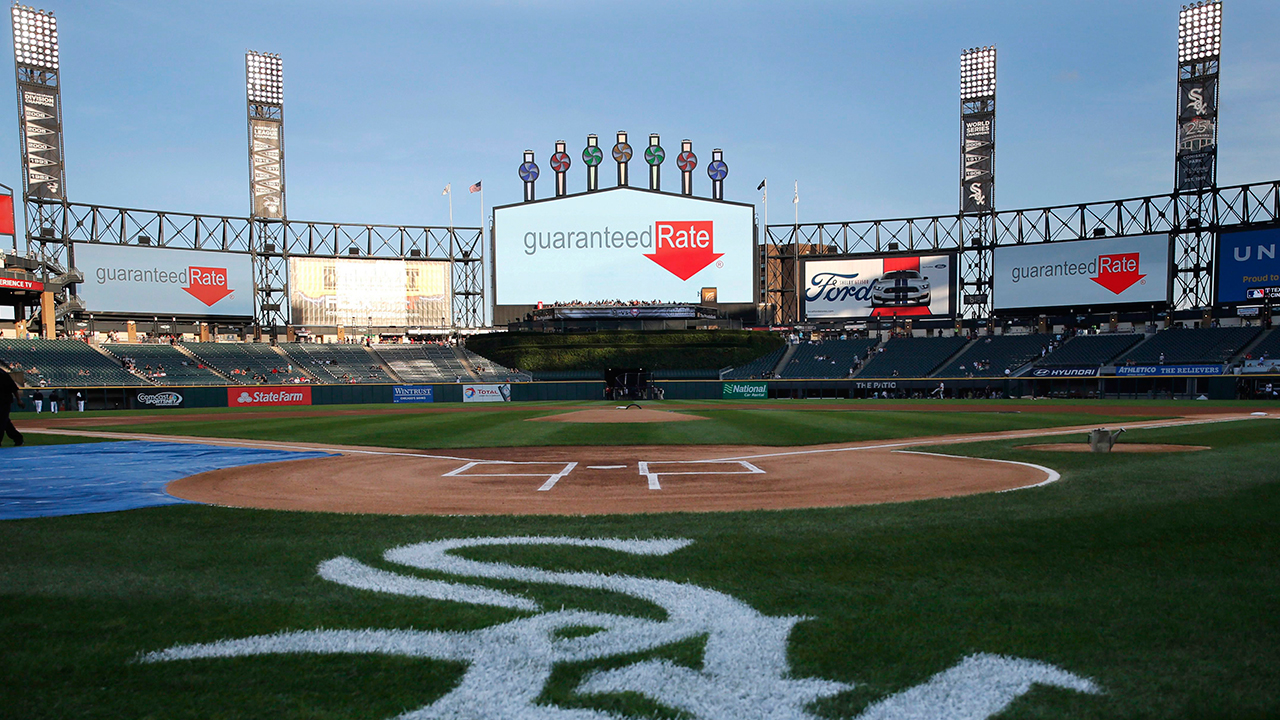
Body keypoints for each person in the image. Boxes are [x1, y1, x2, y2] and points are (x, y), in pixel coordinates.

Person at [0, 360, 24, 446]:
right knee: (5, 422)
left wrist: (19, 400)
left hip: (4, 401)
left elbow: (13, 388)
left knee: (2, 421)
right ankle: (18, 438)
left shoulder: (2, 374)